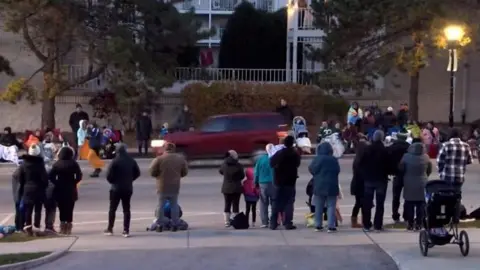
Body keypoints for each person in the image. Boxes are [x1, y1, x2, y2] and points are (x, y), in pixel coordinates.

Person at [149, 143, 188, 232]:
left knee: (161, 205)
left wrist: (158, 175)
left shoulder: (159, 159)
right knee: (174, 205)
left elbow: (152, 171)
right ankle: (175, 223)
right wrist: (178, 175)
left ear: (164, 149)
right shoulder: (180, 159)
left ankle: (160, 224)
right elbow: (185, 172)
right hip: (174, 185)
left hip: (162, 185)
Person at [104, 144, 140, 237]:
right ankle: (126, 230)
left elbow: (108, 175)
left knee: (112, 209)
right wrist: (130, 179)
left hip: (115, 188)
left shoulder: (115, 161)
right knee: (126, 209)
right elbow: (137, 173)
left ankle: (110, 228)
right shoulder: (131, 161)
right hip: (127, 187)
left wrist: (113, 181)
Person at [358, 130, 390, 232]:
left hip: (369, 179)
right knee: (380, 204)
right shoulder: (385, 150)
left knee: (367, 202)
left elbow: (360, 163)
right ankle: (378, 225)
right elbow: (388, 165)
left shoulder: (367, 149)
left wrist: (364, 174)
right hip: (381, 179)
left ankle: (367, 224)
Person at [270, 135, 301, 230]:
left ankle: (273, 223)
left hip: (278, 180)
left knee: (276, 201)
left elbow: (271, 163)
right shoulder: (295, 154)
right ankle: (288, 222)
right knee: (289, 202)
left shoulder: (279, 153)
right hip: (290, 181)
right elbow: (298, 164)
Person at [49, 147, 82, 234]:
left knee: (62, 208)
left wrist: (56, 182)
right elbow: (79, 175)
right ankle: (69, 225)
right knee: (70, 208)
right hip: (71, 188)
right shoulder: (74, 164)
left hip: (60, 188)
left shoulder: (57, 164)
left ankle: (62, 225)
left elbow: (51, 176)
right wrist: (74, 182)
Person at [399, 142, 432, 231]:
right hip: (422, 182)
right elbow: (429, 170)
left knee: (409, 203)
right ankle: (419, 223)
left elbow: (401, 169)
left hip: (409, 182)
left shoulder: (406, 157)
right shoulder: (426, 157)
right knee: (421, 204)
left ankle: (410, 223)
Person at [17, 144, 48, 236]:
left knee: (28, 209)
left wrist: (24, 186)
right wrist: (44, 186)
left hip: (27, 189)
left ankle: (28, 227)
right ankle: (37, 227)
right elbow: (44, 178)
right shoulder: (40, 164)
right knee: (38, 209)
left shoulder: (24, 164)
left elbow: (20, 178)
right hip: (38, 189)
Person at [309, 143, 340, 232]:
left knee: (319, 205)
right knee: (331, 205)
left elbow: (311, 169)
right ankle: (331, 225)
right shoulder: (334, 159)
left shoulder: (317, 159)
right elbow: (337, 170)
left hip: (319, 184)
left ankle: (318, 225)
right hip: (332, 185)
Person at [387, 133, 411, 223]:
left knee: (396, 196)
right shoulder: (409, 147)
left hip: (396, 174)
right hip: (407, 174)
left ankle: (395, 215)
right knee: (407, 197)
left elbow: (387, 159)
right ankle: (406, 215)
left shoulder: (392, 147)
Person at [219, 150, 245, 227]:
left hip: (226, 187)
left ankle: (227, 221)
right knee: (236, 204)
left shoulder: (224, 164)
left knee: (227, 204)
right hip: (236, 187)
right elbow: (242, 176)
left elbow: (221, 172)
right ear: (233, 156)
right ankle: (235, 220)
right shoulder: (239, 165)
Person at [254, 144, 275, 228]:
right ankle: (274, 220)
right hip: (274, 183)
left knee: (263, 204)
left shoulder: (261, 160)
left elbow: (256, 172)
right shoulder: (275, 159)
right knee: (274, 203)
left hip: (263, 183)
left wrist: (255, 183)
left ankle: (264, 222)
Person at [350, 139, 368, 228]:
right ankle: (365, 221)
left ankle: (354, 220)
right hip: (363, 183)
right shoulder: (364, 159)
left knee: (358, 203)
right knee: (364, 203)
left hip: (356, 183)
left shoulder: (357, 159)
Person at [12, 167, 23, 232]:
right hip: (19, 196)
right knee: (20, 211)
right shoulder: (19, 172)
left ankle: (18, 227)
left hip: (17, 196)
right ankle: (19, 227)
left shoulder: (17, 172)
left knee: (19, 211)